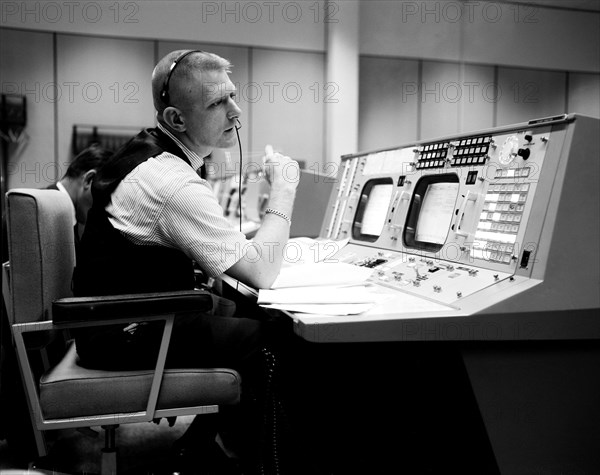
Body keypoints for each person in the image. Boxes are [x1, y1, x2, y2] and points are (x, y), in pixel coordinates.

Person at [73, 50, 300, 473]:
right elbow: (261, 272)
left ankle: (204, 444)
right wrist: (283, 190)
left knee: (249, 314)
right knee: (275, 337)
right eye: (217, 103)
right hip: (124, 331)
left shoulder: (153, 158)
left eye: (233, 96)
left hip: (109, 323)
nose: (235, 112)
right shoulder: (170, 180)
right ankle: (274, 462)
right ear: (177, 120)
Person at [47, 143, 113, 247]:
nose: (107, 208)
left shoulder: (64, 214)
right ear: (89, 179)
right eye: (106, 197)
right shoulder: (45, 211)